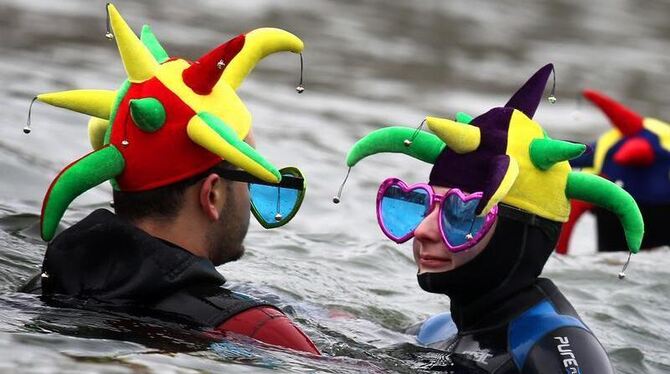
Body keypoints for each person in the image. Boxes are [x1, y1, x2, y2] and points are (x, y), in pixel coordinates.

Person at [19, 4, 318, 355]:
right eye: (249, 182)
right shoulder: (259, 331)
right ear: (213, 195)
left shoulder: (45, 285)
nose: (250, 200)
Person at [339, 64, 643, 372]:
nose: (422, 230)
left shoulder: (557, 349)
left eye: (461, 213)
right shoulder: (436, 331)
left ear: (519, 235)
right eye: (425, 205)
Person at [557, 89, 670, 253]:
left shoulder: (612, 152)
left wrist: (559, 254)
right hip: (618, 210)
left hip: (618, 210)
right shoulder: (611, 150)